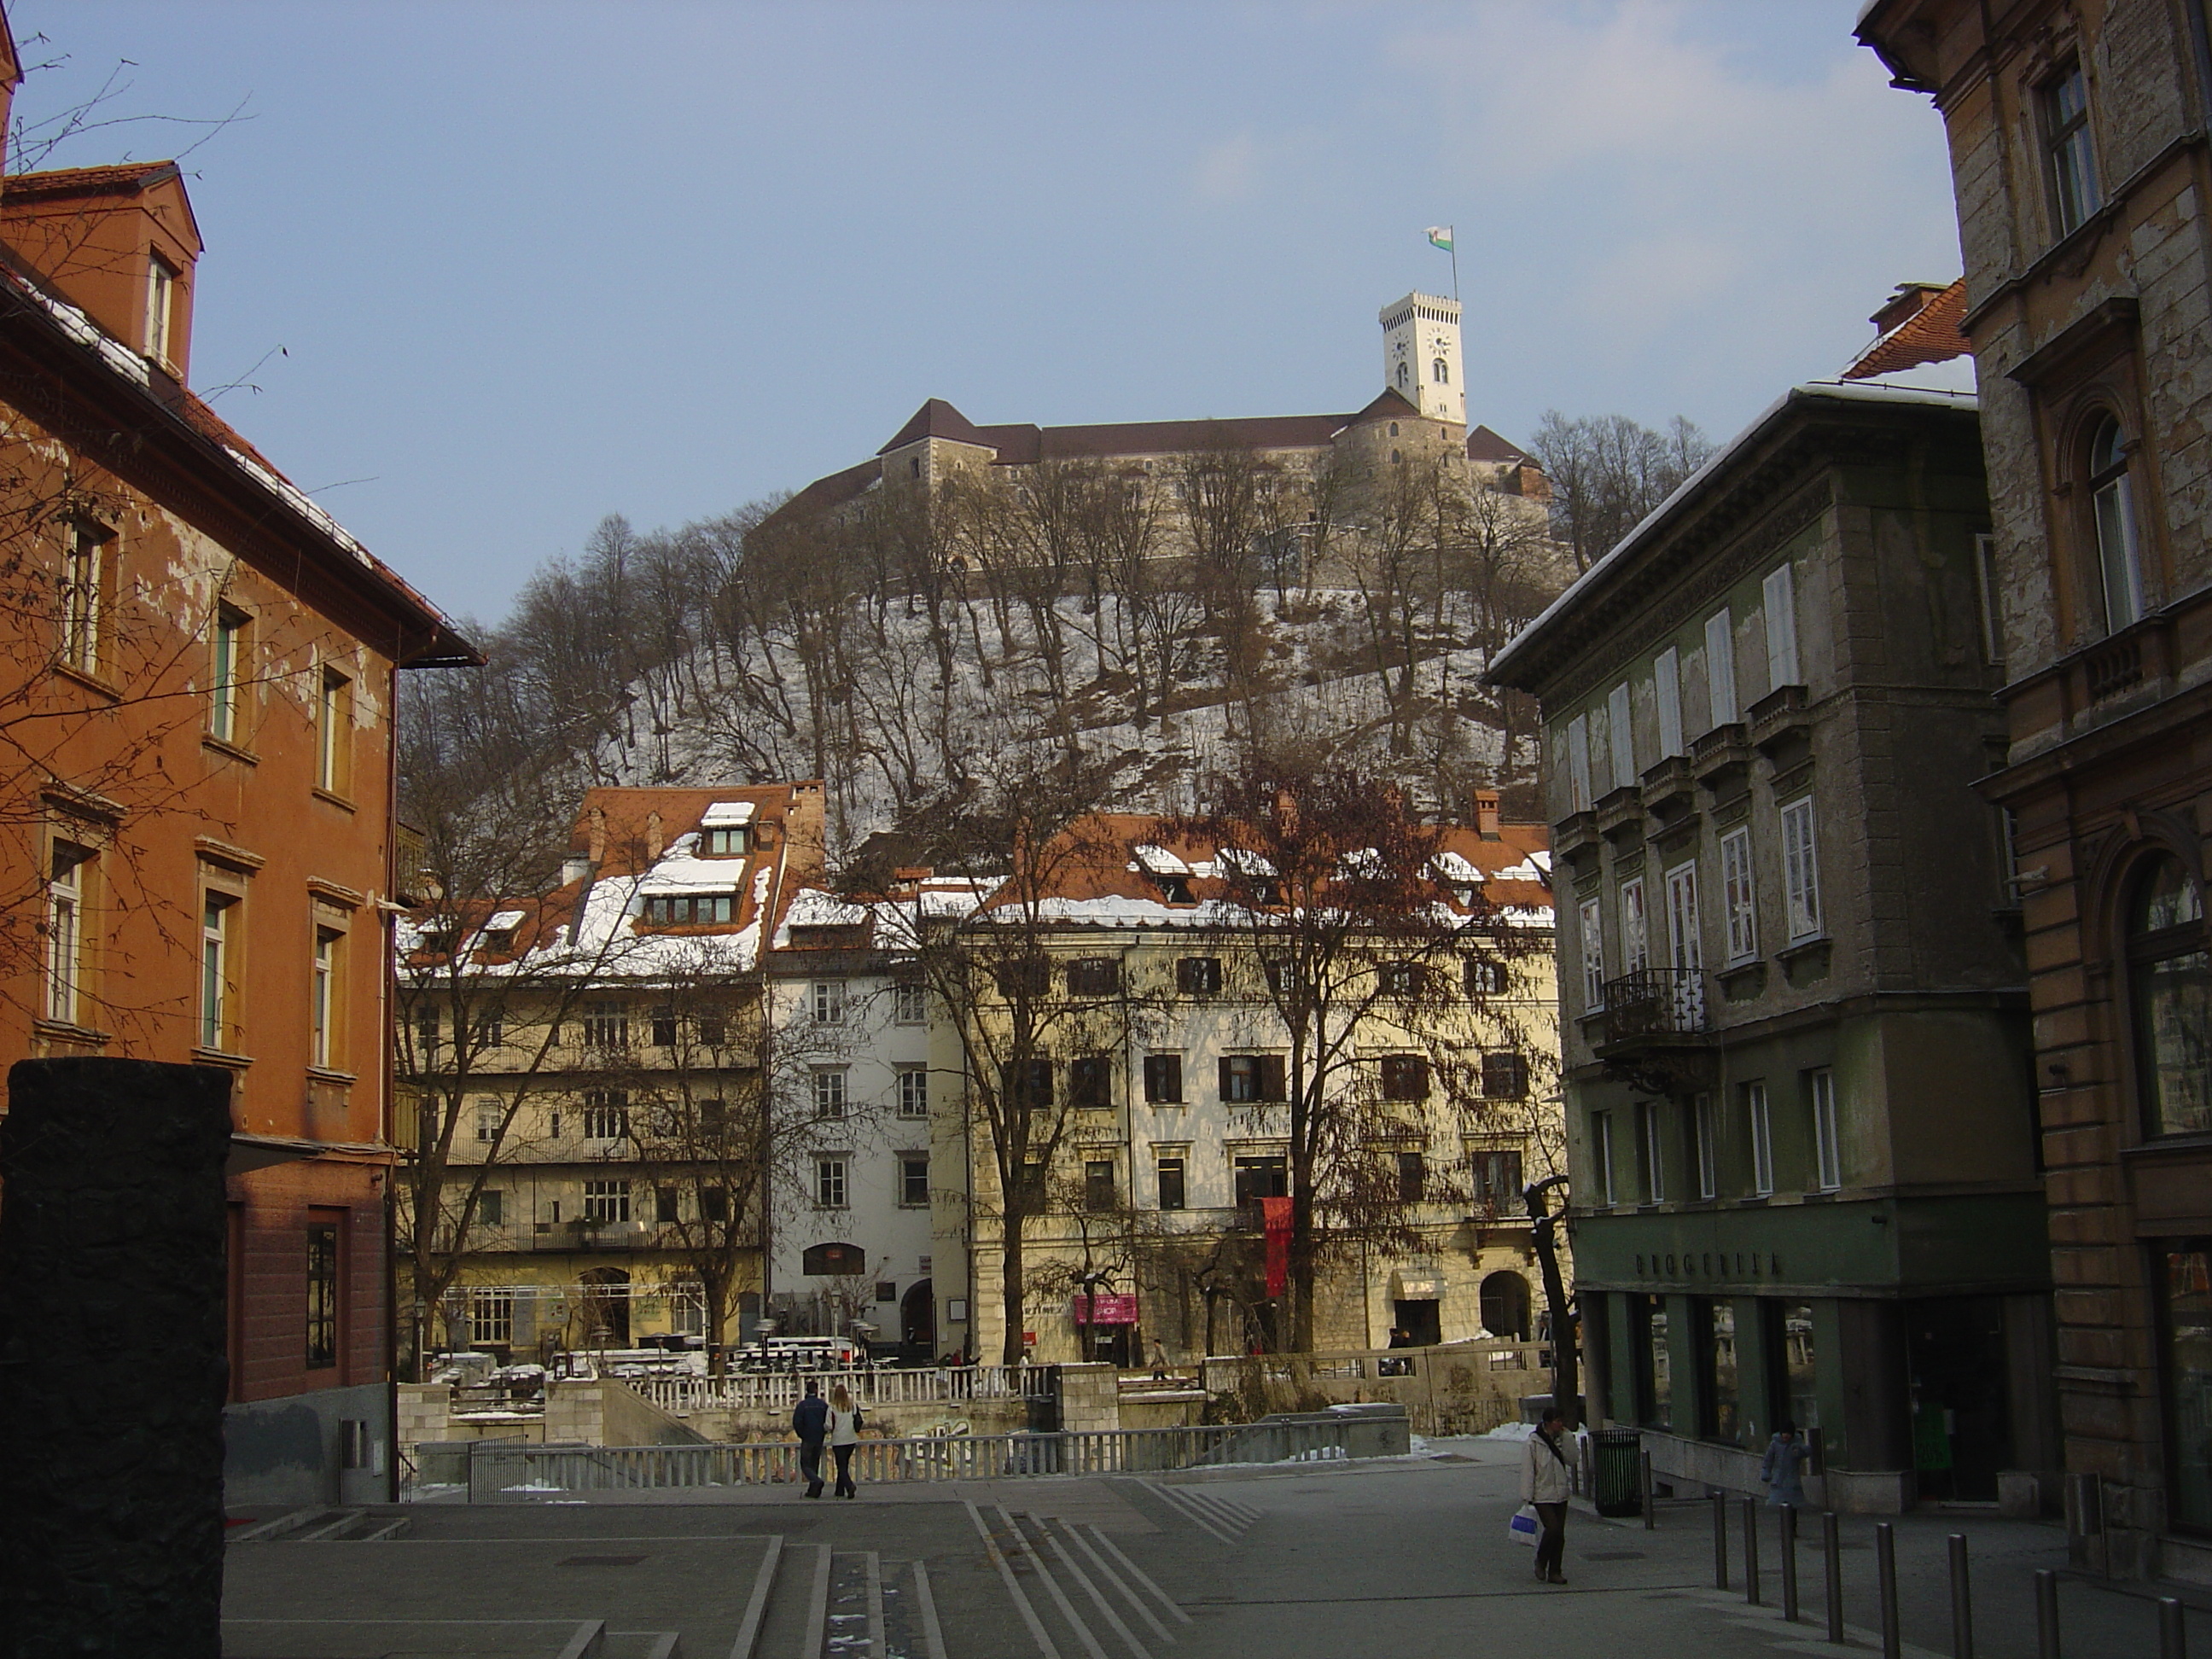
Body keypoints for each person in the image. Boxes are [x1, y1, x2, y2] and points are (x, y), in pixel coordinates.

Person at [1520, 1406, 1574, 1585]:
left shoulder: (1563, 1439)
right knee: (1553, 1529)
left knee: (1560, 1535)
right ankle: (1541, 1561)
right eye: (1557, 1421)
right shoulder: (1534, 1443)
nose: (1560, 1424)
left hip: (1560, 1493)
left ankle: (1555, 1571)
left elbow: (1573, 1459)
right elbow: (1528, 1471)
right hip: (1542, 1494)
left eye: (1561, 1420)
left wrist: (1568, 1437)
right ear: (1547, 1423)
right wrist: (1527, 1496)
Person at [791, 1378, 829, 1499]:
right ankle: (814, 1489)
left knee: (805, 1464)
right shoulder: (823, 1405)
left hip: (807, 1437)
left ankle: (815, 1482)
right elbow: (828, 1421)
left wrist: (802, 1434)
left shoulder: (802, 1405)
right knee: (814, 1463)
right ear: (817, 1391)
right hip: (819, 1437)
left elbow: (797, 1422)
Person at [827, 1382, 864, 1499]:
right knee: (844, 1465)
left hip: (839, 1440)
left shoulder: (832, 1408)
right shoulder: (852, 1406)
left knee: (841, 1466)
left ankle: (849, 1486)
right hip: (851, 1438)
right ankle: (839, 1490)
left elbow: (828, 1425)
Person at [1760, 1420, 1810, 1509]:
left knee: (1796, 1505)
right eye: (1784, 1433)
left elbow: (1807, 1453)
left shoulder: (1797, 1442)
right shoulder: (1775, 1443)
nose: (1786, 1436)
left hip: (1793, 1480)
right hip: (1778, 1480)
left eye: (1788, 1433)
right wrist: (1766, 1471)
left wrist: (1800, 1450)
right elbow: (1768, 1459)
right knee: (1776, 1505)